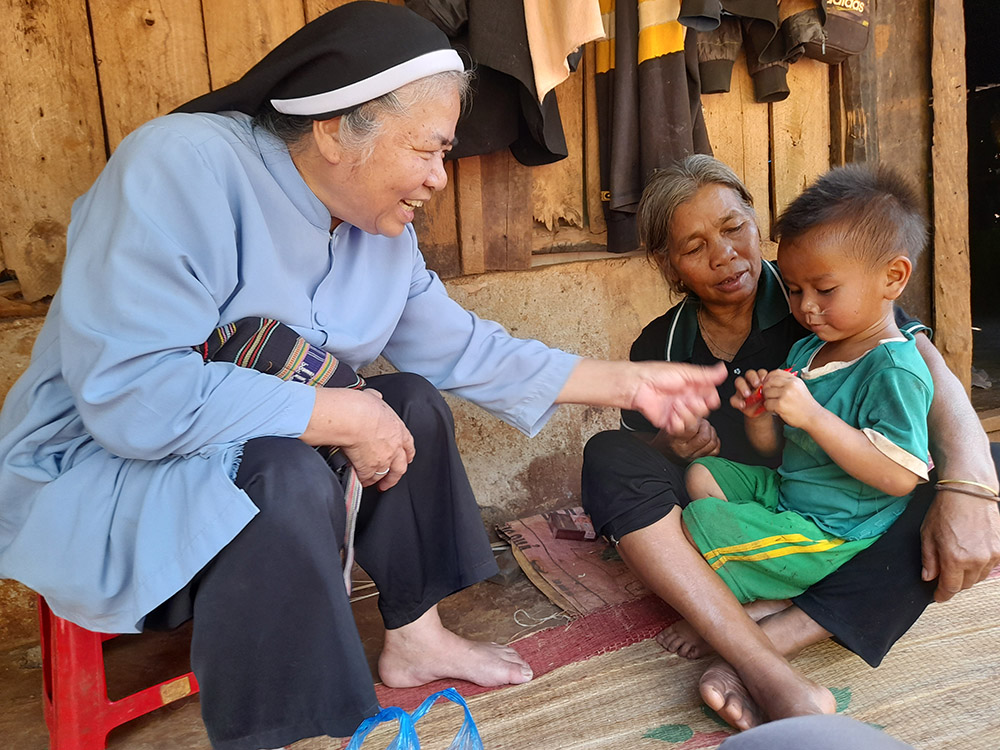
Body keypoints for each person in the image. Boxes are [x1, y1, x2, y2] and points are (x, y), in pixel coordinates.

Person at [0, 5, 726, 750]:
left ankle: (417, 637)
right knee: (285, 464)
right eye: (428, 150)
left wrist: (627, 385)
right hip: (104, 464)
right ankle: (280, 734)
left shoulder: (382, 231)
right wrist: (344, 416)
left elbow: (464, 349)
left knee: (407, 402)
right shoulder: (180, 169)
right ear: (333, 129)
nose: (439, 179)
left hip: (229, 455)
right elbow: (132, 396)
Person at [581, 154, 1000, 730]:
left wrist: (972, 486)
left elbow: (925, 374)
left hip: (841, 494)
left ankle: (780, 631)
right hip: (746, 486)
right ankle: (761, 609)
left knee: (948, 481)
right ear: (668, 264)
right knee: (606, 455)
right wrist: (675, 444)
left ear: (757, 223)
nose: (725, 255)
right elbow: (649, 453)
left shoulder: (826, 294)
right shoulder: (664, 341)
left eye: (734, 229)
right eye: (694, 246)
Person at [681, 165, 934, 613]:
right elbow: (775, 449)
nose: (807, 307)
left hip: (836, 528)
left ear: (893, 277)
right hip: (789, 494)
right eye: (796, 291)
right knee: (701, 475)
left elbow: (899, 478)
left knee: (701, 522)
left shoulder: (893, 369)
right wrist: (758, 416)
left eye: (825, 289)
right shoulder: (810, 349)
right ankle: (774, 578)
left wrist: (813, 415)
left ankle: (759, 603)